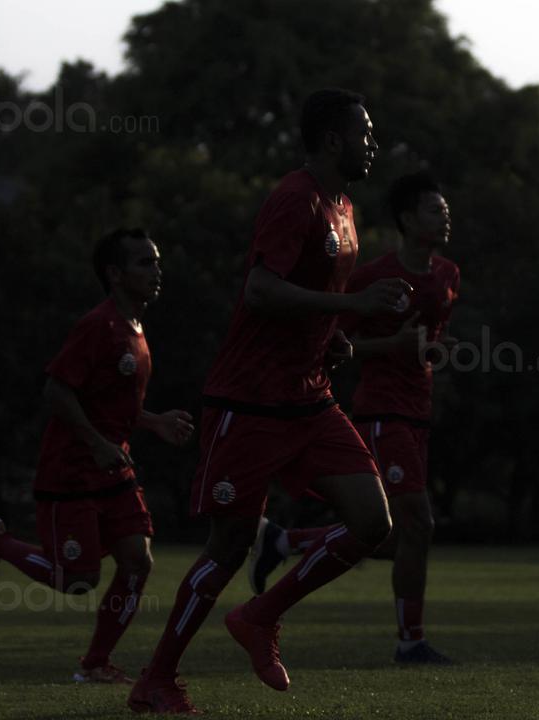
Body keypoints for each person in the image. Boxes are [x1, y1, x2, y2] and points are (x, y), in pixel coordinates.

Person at [128, 89, 408, 714]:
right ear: (333, 139)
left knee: (374, 523)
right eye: (365, 132)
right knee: (228, 547)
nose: (373, 142)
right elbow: (259, 290)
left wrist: (334, 338)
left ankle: (259, 616)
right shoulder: (294, 198)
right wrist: (353, 308)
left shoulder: (344, 206)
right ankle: (156, 680)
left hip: (308, 398)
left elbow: (307, 297)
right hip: (249, 402)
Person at [0, 227, 194, 684]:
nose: (156, 270)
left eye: (156, 261)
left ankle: (95, 664)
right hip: (71, 472)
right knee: (77, 578)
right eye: (145, 262)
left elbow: (110, 403)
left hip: (113, 469)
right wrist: (97, 443)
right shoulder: (98, 326)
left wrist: (154, 421)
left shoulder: (136, 329)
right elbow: (57, 391)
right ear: (115, 274)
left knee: (138, 561)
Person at [249, 171, 460, 664]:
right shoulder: (373, 276)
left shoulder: (448, 276)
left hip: (418, 409)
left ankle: (286, 541)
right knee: (419, 523)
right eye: (435, 209)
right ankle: (410, 642)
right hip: (381, 408)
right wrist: (392, 345)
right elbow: (331, 341)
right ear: (407, 220)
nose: (444, 216)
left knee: (391, 530)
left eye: (445, 209)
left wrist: (433, 349)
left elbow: (427, 342)